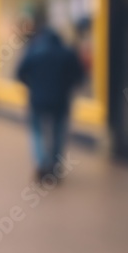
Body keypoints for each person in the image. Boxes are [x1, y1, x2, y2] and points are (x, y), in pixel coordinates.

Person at [16, 15, 84, 180]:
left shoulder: (33, 50)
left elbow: (20, 73)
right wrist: (66, 86)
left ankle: (42, 164)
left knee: (37, 132)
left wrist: (33, 86)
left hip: (37, 100)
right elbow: (78, 75)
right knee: (58, 133)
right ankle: (54, 165)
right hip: (60, 99)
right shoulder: (66, 52)